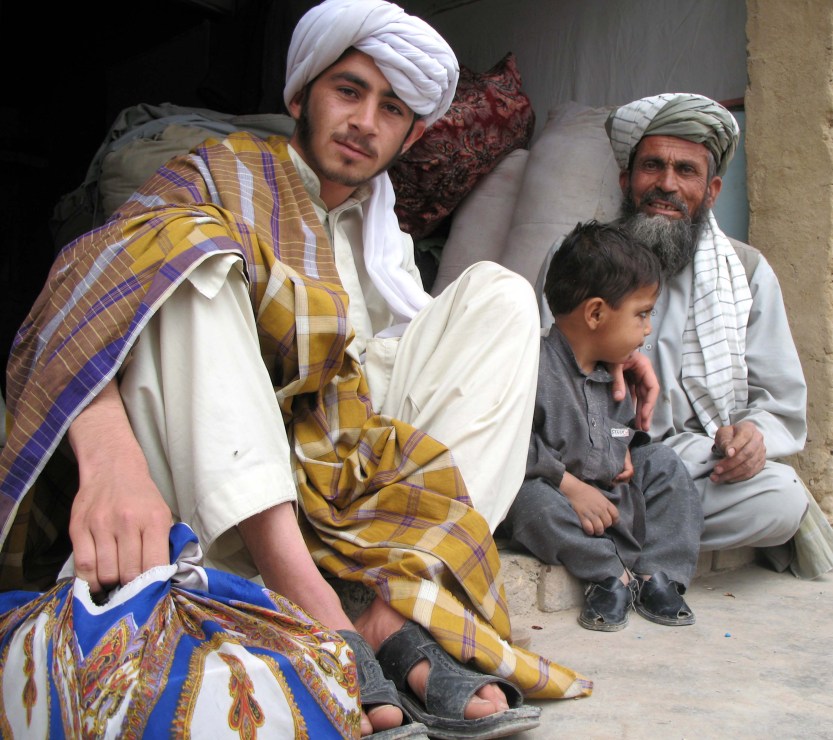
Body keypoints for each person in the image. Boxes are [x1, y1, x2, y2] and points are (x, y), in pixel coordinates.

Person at [0, 1, 677, 737]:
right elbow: (82, 286)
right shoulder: (216, 175)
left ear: (411, 133)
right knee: (190, 253)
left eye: (391, 109)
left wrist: (608, 354)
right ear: (300, 96)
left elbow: (400, 368)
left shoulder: (379, 235)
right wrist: (108, 459)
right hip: (223, 463)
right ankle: (314, 605)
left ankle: (395, 604)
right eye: (348, 91)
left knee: (501, 297)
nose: (365, 122)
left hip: (341, 469)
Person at [538, 92, 833, 580]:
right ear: (626, 179)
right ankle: (626, 531)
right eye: (652, 166)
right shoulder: (574, 256)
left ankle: (601, 533)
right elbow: (536, 370)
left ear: (713, 189)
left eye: (686, 170)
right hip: (583, 455)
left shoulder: (746, 270)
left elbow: (777, 398)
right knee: (533, 484)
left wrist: (752, 436)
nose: (667, 184)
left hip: (686, 465)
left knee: (781, 499)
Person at [499, 220, 703, 632]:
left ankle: (654, 573)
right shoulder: (533, 364)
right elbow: (510, 444)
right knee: (529, 503)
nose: (647, 330)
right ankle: (610, 575)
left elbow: (620, 430)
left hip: (612, 495)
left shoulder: (617, 374)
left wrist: (626, 448)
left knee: (666, 463)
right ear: (595, 313)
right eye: (641, 315)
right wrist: (571, 488)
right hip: (560, 499)